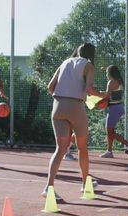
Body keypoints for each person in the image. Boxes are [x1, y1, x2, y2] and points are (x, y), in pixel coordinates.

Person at [42, 43, 105, 199]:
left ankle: (48, 187)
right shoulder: (88, 65)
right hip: (75, 107)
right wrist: (102, 95)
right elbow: (90, 90)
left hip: (57, 107)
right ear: (92, 54)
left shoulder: (64, 62)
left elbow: (50, 87)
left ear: (78, 51)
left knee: (60, 149)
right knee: (82, 148)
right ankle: (84, 184)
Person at [99, 65, 128, 158]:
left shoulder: (111, 82)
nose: (106, 74)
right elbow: (111, 94)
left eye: (107, 73)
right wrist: (106, 69)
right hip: (118, 107)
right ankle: (110, 151)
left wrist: (97, 102)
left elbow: (107, 96)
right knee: (110, 130)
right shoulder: (119, 81)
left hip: (114, 108)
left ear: (110, 73)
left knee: (109, 131)